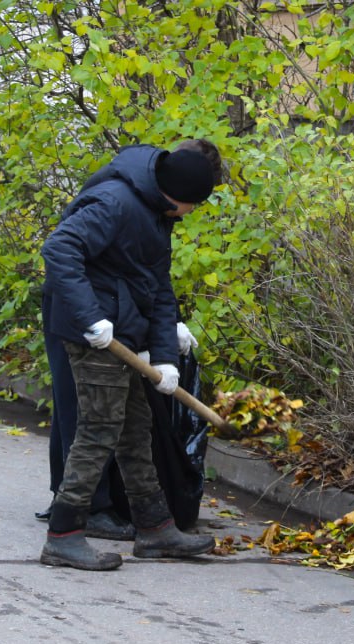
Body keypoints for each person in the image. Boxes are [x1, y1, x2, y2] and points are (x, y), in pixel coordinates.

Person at [39, 143, 220, 570]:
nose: (192, 212)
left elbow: (157, 287)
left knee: (136, 430)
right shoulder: (115, 203)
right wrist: (92, 320)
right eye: (193, 205)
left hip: (121, 329)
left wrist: (165, 358)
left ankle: (155, 529)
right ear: (179, 196)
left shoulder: (157, 212)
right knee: (100, 429)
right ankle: (62, 536)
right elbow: (59, 248)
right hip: (94, 334)